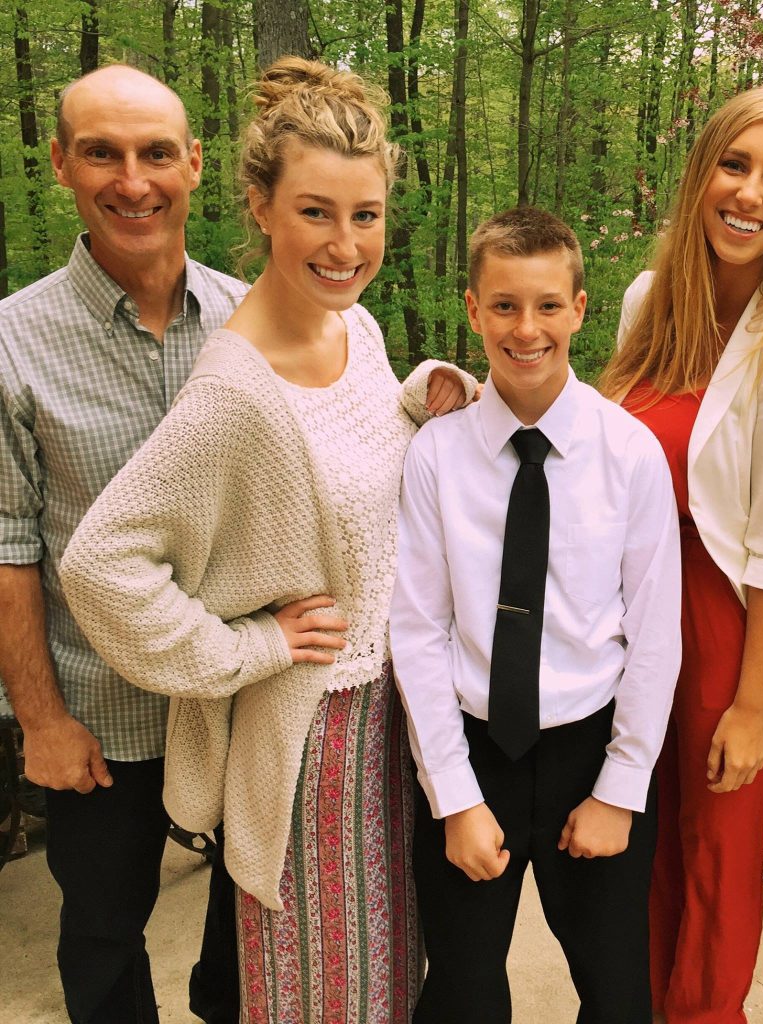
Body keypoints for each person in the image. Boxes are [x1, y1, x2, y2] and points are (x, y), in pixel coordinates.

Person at [59, 57, 476, 1024]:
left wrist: (419, 400)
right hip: (314, 739)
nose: (345, 243)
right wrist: (251, 646)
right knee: (319, 996)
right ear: (259, 206)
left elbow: (346, 468)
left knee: (383, 980)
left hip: (392, 713)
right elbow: (100, 564)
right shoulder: (234, 392)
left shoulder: (357, 330)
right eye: (316, 213)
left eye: (364, 215)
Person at [389, 206, 682, 1024]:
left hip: (589, 749)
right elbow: (417, 630)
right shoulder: (437, 458)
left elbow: (655, 637)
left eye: (549, 305)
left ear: (580, 309)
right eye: (506, 306)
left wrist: (621, 787)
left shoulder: (629, 455)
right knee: (462, 987)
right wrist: (453, 793)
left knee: (618, 985)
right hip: (472, 749)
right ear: (474, 310)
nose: (528, 328)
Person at [0, 64, 245, 1024]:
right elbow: (10, 545)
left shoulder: (252, 320)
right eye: (101, 152)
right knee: (103, 931)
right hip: (99, 714)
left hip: (241, 691)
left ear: (193, 164)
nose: (131, 180)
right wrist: (41, 722)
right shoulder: (14, 342)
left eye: (154, 153)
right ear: (62, 163)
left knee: (249, 919)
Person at [602, 86, 763, 1024]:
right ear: (702, 174)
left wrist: (749, 706)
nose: (749, 193)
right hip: (633, 627)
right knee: (639, 860)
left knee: (714, 880)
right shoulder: (647, 303)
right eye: (735, 165)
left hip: (726, 635)